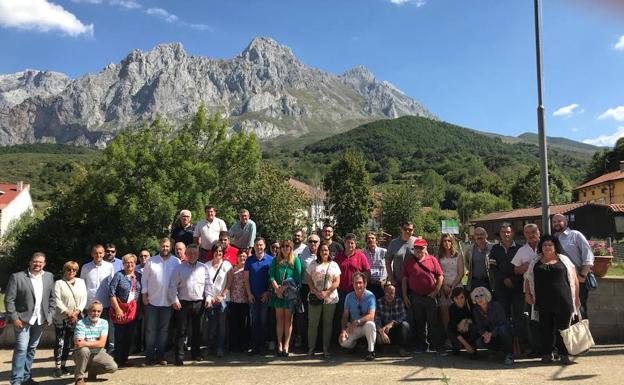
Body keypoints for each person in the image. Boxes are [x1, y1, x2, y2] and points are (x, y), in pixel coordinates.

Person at [524, 235, 580, 365]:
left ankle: (564, 355)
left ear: (555, 247)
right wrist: (527, 294)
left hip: (563, 300)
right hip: (543, 301)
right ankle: (547, 354)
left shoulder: (564, 260)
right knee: (545, 329)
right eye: (544, 245)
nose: (547, 247)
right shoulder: (535, 261)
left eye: (550, 245)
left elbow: (575, 279)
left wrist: (576, 298)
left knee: (564, 329)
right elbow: (527, 278)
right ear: (541, 247)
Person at [5, 252, 55, 385]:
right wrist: (14, 318)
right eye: (35, 261)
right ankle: (16, 380)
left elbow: (52, 299)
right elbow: (9, 300)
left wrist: (49, 316)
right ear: (30, 262)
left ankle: (26, 378)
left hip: (40, 320)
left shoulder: (49, 277)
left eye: (40, 262)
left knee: (32, 348)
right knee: (21, 349)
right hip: (22, 320)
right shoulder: (17, 277)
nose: (37, 264)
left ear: (44, 263)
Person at [141, 237, 181, 365]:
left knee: (164, 330)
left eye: (167, 246)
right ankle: (149, 357)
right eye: (163, 246)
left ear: (171, 247)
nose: (165, 248)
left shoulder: (176, 262)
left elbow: (179, 281)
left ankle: (160, 356)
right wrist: (144, 294)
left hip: (168, 302)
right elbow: (144, 279)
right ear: (160, 246)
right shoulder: (151, 261)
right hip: (152, 300)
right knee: (150, 330)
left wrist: (176, 298)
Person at [402, 238, 445, 354]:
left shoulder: (432, 260)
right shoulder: (409, 262)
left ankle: (436, 345)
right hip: (415, 297)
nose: (419, 250)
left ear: (426, 248)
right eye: (416, 248)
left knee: (433, 323)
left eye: (421, 248)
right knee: (420, 323)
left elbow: (440, 276)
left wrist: (436, 291)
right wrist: (405, 295)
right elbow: (405, 279)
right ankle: (423, 345)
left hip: (430, 297)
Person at [168, 244, 208, 365]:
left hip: (198, 303)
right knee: (181, 331)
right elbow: (172, 285)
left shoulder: (203, 268)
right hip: (183, 304)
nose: (192, 255)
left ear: (198, 254)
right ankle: (179, 356)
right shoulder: (179, 268)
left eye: (194, 253)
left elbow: (208, 285)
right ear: (186, 254)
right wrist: (174, 300)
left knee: (198, 330)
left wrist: (209, 297)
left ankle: (196, 354)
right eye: (190, 253)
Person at [552, 213, 594, 319]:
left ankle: (583, 335)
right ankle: (568, 335)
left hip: (578, 279)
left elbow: (588, 256)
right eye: (554, 222)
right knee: (565, 310)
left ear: (565, 222)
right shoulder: (553, 239)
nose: (556, 223)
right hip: (562, 281)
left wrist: (582, 276)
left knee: (580, 309)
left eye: (559, 221)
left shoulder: (576, 235)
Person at [53, 261, 87, 377]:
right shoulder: (58, 283)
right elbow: (56, 300)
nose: (71, 272)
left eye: (74, 270)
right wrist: (68, 313)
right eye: (69, 269)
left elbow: (84, 298)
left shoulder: (81, 282)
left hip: (76, 317)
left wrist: (77, 312)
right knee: (60, 342)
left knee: (69, 343)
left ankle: (64, 364)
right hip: (62, 317)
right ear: (64, 270)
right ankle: (57, 367)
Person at [511, 223, 541, 354]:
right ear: (524, 235)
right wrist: (523, 267)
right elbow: (515, 269)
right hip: (529, 290)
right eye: (527, 233)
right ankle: (535, 347)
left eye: (533, 231)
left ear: (538, 232)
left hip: (548, 289)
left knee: (549, 319)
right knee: (532, 320)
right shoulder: (522, 250)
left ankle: (551, 347)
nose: (531, 235)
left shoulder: (546, 246)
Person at [268, 239, 302, 356]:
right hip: (278, 294)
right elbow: (271, 276)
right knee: (279, 320)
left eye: (287, 246)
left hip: (289, 294)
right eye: (283, 246)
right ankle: (279, 344)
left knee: (288, 320)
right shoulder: (275, 260)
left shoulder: (295, 260)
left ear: (291, 248)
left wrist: (283, 288)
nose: (285, 248)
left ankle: (286, 344)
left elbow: (297, 278)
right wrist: (277, 289)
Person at [307, 242, 341, 357]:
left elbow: (337, 281)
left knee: (328, 324)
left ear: (329, 252)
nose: (324, 252)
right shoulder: (313, 264)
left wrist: (326, 292)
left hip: (330, 298)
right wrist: (316, 292)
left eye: (326, 250)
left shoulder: (334, 265)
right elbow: (309, 280)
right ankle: (311, 348)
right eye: (322, 250)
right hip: (315, 297)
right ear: (318, 252)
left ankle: (326, 348)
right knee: (313, 324)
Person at [73, 301, 118, 385]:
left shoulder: (104, 323)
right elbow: (79, 344)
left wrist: (86, 342)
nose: (96, 313)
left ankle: (92, 371)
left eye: (98, 311)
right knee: (84, 350)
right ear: (88, 311)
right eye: (93, 310)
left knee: (113, 367)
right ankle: (79, 378)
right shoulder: (81, 323)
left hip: (98, 352)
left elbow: (102, 344)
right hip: (80, 353)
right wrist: (96, 342)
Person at [108, 253, 142, 367]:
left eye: (132, 262)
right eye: (127, 262)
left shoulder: (138, 276)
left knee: (129, 336)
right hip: (120, 309)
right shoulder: (118, 275)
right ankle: (117, 360)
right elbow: (111, 293)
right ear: (123, 264)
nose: (130, 264)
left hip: (132, 310)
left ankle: (125, 359)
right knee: (119, 336)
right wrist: (117, 309)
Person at [80, 244, 115, 352]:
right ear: (92, 254)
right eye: (96, 253)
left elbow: (113, 285)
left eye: (100, 253)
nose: (98, 255)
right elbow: (82, 285)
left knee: (104, 329)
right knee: (89, 330)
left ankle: (104, 352)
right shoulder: (86, 267)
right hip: (89, 304)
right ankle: (90, 353)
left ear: (104, 254)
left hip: (105, 303)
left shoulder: (109, 266)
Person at [471, 286, 514, 366]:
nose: (479, 298)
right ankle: (495, 350)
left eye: (481, 295)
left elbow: (503, 323)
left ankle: (509, 354)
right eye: (476, 296)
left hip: (501, 332)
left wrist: (491, 334)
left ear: (486, 296)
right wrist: (484, 334)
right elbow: (479, 326)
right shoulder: (476, 310)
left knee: (502, 329)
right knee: (479, 342)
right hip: (490, 334)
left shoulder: (496, 306)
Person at [244, 237, 273, 355]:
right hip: (253, 296)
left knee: (263, 321)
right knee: (254, 321)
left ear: (264, 246)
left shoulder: (271, 260)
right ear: (254, 246)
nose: (259, 247)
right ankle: (255, 346)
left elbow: (272, 279)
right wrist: (249, 294)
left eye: (261, 245)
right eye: (257, 245)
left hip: (265, 296)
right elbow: (246, 279)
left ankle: (262, 346)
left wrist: (268, 292)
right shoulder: (249, 260)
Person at [339, 272, 377, 361]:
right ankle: (354, 345)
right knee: (343, 342)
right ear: (352, 284)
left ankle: (371, 351)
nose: (358, 285)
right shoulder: (349, 296)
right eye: (355, 283)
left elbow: (371, 316)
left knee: (371, 325)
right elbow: (345, 316)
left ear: (365, 284)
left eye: (360, 282)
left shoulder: (370, 296)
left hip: (364, 326)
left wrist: (358, 321)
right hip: (353, 327)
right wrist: (343, 330)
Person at [205, 243, 233, 358]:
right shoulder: (206, 265)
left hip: (223, 300)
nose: (218, 253)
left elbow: (230, 282)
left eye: (220, 251)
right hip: (210, 299)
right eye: (216, 251)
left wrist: (222, 295)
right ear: (213, 252)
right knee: (210, 324)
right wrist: (209, 297)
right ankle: (209, 347)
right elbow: (205, 283)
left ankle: (220, 348)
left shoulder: (227, 265)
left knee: (221, 325)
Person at [489, 223, 521, 320]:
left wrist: (513, 280)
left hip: (517, 287)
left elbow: (522, 269)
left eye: (508, 232)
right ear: (500, 233)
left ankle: (518, 335)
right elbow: (492, 267)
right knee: (503, 316)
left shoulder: (520, 248)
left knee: (518, 315)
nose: (506, 234)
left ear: (512, 233)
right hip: (501, 287)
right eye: (503, 232)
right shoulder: (495, 249)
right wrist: (504, 279)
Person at [295, 233, 321, 351]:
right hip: (305, 288)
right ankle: (306, 343)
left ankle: (319, 343)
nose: (313, 244)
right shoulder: (302, 255)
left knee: (318, 316)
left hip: (320, 289)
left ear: (319, 243)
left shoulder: (323, 253)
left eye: (315, 241)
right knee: (304, 315)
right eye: (310, 241)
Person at [436, 234, 464, 332]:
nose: (447, 243)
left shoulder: (458, 255)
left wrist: (452, 287)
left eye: (449, 241)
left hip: (456, 286)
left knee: (456, 311)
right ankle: (448, 334)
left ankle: (459, 335)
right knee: (444, 310)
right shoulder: (439, 256)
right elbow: (438, 273)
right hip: (443, 286)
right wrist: (444, 286)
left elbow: (461, 273)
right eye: (444, 241)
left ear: (452, 242)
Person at [375, 283, 409, 356]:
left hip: (395, 328)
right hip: (383, 330)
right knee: (377, 335)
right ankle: (382, 348)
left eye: (392, 293)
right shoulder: (379, 302)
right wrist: (382, 332)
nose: (389, 295)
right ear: (384, 292)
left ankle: (402, 348)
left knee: (405, 325)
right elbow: (377, 320)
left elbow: (403, 316)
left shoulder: (399, 301)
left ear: (395, 293)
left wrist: (392, 323)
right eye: (387, 293)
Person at [228, 249, 251, 353]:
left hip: (245, 300)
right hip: (234, 300)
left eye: (244, 256)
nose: (242, 258)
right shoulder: (232, 270)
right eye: (241, 256)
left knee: (244, 324)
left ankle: (243, 345)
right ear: (237, 258)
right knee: (234, 324)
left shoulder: (248, 270)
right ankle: (233, 345)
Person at [447, 287, 478, 358]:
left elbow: (476, 319)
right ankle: (459, 346)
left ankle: (473, 346)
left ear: (465, 297)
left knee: (475, 327)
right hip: (458, 332)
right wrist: (466, 346)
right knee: (449, 328)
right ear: (453, 299)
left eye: (462, 297)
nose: (459, 300)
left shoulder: (470, 305)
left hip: (468, 330)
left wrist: (465, 321)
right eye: (456, 298)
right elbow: (453, 328)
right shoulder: (452, 308)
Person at [385, 222, 417, 287]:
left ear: (413, 231)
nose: (407, 231)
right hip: (398, 282)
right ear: (401, 229)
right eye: (405, 229)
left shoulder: (417, 242)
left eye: (410, 230)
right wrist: (391, 279)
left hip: (414, 281)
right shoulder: (393, 243)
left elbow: (425, 258)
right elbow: (387, 262)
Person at [363, 231, 387, 299]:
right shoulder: (363, 254)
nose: (370, 240)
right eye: (368, 238)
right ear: (366, 241)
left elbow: (390, 267)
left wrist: (385, 280)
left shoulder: (384, 252)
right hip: (369, 285)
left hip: (382, 284)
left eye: (372, 238)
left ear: (376, 240)